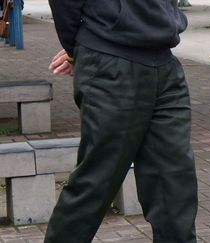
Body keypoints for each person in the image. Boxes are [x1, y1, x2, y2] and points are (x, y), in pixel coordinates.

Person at [45, 1, 198, 243]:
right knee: (98, 179)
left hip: (164, 62)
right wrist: (84, 46)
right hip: (112, 63)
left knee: (174, 180)